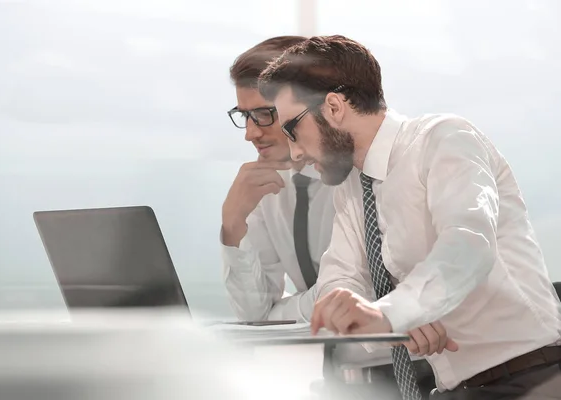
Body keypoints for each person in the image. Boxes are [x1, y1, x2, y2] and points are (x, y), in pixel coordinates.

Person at [258, 34, 561, 399]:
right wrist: (388, 319)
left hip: (531, 379)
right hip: (454, 389)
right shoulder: (353, 191)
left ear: (335, 107)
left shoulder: (446, 139)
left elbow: (467, 246)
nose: (294, 154)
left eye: (293, 129)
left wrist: (389, 314)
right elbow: (339, 282)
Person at [221, 35, 335, 322]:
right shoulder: (265, 184)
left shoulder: (355, 177)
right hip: (337, 365)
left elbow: (349, 298)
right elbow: (253, 313)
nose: (250, 133)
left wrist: (278, 315)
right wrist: (233, 225)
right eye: (244, 115)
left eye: (263, 114)